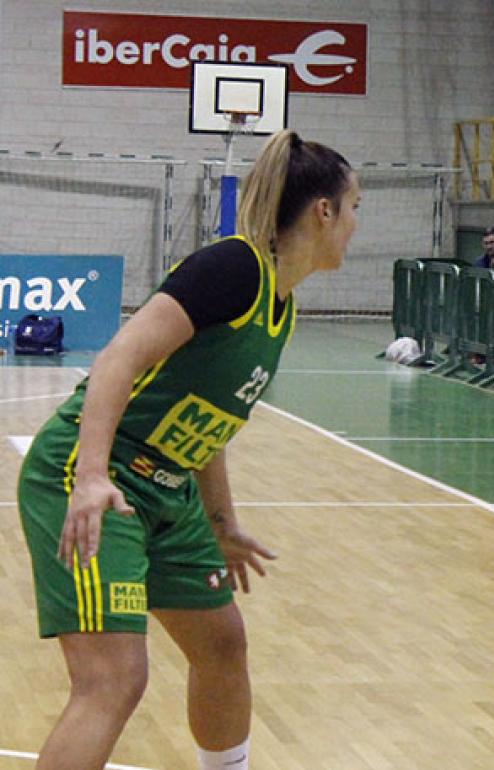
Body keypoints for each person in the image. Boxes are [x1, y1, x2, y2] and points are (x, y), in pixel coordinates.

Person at [16, 130, 359, 770]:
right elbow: (119, 357)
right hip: (98, 474)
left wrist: (223, 524)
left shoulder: (280, 306)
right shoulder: (232, 269)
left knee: (222, 642)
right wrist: (90, 475)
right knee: (114, 679)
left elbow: (208, 423)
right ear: (323, 211)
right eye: (355, 207)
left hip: (166, 489)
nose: (355, 224)